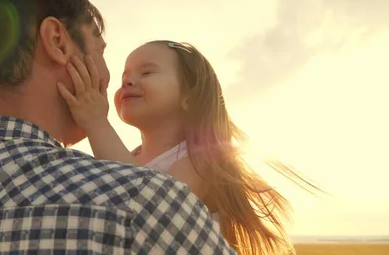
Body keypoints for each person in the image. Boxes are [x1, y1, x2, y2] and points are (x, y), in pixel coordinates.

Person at [0, 0, 236, 254]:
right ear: (57, 41)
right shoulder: (140, 204)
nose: (108, 78)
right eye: (101, 52)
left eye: (146, 73)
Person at [59, 40, 322, 255]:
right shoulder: (129, 157)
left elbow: (149, 205)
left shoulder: (203, 157)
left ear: (188, 96)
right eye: (124, 76)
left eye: (146, 72)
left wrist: (96, 123)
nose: (127, 81)